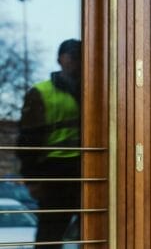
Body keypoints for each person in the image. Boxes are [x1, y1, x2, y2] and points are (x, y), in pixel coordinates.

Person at [17, 39, 82, 247]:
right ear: (60, 60)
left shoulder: (95, 90)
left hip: (90, 168)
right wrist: (32, 180)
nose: (76, 60)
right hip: (55, 173)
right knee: (50, 233)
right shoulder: (41, 92)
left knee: (94, 229)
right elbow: (27, 142)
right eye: (72, 55)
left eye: (80, 55)